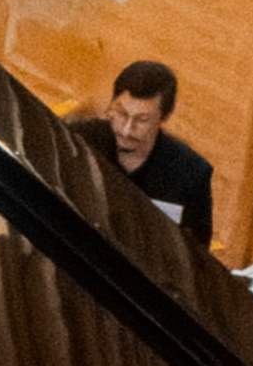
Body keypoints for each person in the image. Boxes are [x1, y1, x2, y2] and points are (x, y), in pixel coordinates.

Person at [77, 59, 215, 247]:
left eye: (141, 120)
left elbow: (197, 255)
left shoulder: (191, 174)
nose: (126, 130)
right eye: (121, 114)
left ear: (163, 117)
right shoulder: (78, 142)